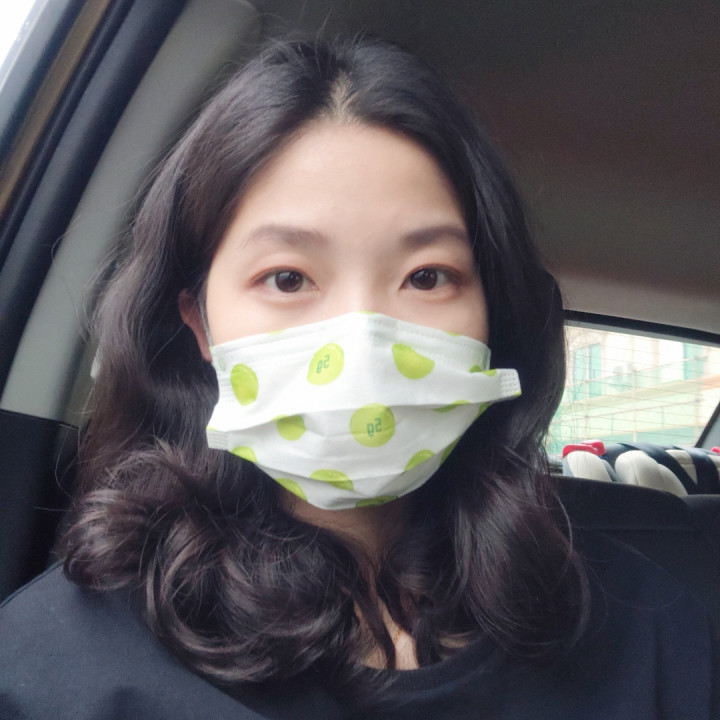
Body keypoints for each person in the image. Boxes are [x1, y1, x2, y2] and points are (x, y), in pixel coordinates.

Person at [0, 37, 714, 719]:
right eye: (287, 278)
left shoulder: (647, 631)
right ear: (201, 326)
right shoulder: (57, 668)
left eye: (427, 277)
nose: (362, 341)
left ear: (493, 317)